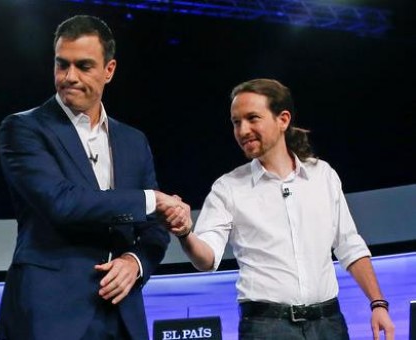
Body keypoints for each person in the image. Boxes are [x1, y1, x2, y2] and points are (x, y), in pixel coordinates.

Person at [0, 14, 190, 340]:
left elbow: (154, 229)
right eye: (62, 65)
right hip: (49, 316)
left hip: (122, 314)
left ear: (109, 70)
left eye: (83, 66)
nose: (69, 76)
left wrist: (135, 263)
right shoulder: (23, 128)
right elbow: (62, 203)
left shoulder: (133, 140)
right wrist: (153, 200)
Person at [167, 78, 395, 339]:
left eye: (252, 118)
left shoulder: (323, 175)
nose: (242, 130)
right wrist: (185, 233)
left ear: (283, 119)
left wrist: (378, 303)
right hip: (266, 327)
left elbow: (349, 245)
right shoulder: (227, 188)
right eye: (236, 122)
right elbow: (207, 259)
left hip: (328, 324)